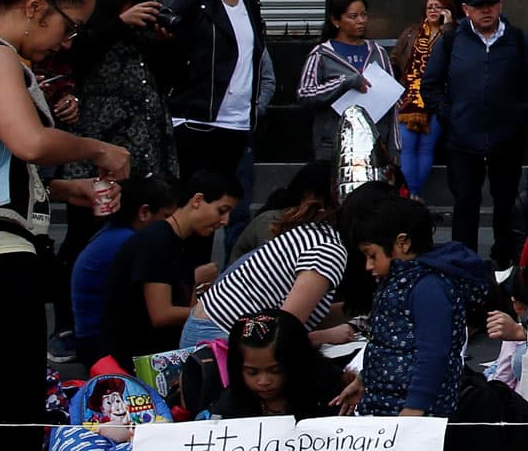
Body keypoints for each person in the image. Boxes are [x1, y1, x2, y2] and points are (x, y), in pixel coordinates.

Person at [0, 0, 133, 447]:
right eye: (70, 28)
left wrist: (70, 191)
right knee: (6, 411)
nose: (68, 44)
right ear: (37, 6)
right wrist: (98, 149)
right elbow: (30, 144)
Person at [50, 0, 179, 358]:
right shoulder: (88, 16)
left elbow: (171, 78)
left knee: (141, 226)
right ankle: (68, 326)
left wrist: (164, 43)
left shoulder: (151, 14)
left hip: (145, 138)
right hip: (98, 137)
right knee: (86, 231)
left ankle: (127, 318)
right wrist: (120, 23)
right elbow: (75, 57)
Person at [164, 0, 274, 259]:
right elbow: (161, 48)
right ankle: (182, 283)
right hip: (196, 121)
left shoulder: (251, 3)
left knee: (228, 209)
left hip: (238, 123)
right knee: (194, 211)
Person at [425, 0, 528, 263]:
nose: (486, 11)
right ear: (466, 9)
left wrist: (518, 117)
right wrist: (449, 115)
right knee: (465, 204)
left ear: (500, 5)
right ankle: (463, 262)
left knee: (505, 203)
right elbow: (431, 84)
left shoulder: (518, 40)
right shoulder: (451, 41)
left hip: (507, 138)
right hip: (462, 140)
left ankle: (504, 260)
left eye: (491, 5)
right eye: (479, 7)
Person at [347, 192, 492, 418]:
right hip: (386, 403)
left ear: (402, 243)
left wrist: (416, 406)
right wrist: (364, 379)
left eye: (372, 255)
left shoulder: (429, 287)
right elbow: (388, 345)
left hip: (416, 410)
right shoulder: (395, 282)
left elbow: (433, 352)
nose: (368, 265)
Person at [184, 160, 354, 347]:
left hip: (211, 329)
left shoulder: (316, 233)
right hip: (219, 338)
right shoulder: (329, 250)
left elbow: (304, 314)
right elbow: (280, 334)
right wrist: (324, 336)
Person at [105, 169, 241, 368]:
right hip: (132, 364)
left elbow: (186, 307)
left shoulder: (182, 242)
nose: (225, 221)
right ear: (197, 200)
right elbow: (162, 314)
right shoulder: (156, 241)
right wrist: (216, 314)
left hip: (157, 355)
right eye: (222, 210)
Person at [71, 175, 177, 367]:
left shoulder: (113, 233)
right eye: (166, 217)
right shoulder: (129, 243)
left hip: (94, 337)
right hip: (101, 344)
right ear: (144, 212)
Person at [299, 0, 397, 163]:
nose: (361, 21)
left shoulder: (378, 52)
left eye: (364, 14)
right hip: (334, 146)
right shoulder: (321, 54)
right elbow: (305, 95)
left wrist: (394, 148)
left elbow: (392, 102)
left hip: (374, 146)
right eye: (353, 16)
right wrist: (344, 83)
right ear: (336, 21)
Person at [205, 309, 349, 420]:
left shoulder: (332, 395)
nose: (264, 382)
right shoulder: (232, 403)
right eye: (252, 372)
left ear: (297, 364)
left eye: (275, 370)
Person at [392, 0, 454, 197]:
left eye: (438, 7)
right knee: (408, 146)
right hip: (409, 99)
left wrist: (448, 25)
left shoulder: (452, 34)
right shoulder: (411, 33)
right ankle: (410, 194)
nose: (433, 11)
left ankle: (414, 193)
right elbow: (394, 60)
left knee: (426, 148)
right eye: (430, 7)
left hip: (437, 99)